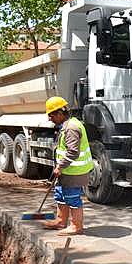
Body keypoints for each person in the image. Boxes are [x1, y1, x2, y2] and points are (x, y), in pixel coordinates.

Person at [42, 96, 94, 235]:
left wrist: (60, 167)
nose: (50, 119)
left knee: (72, 197)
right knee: (60, 194)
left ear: (60, 113)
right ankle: (61, 221)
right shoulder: (65, 126)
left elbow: (73, 152)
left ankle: (77, 226)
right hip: (67, 170)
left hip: (74, 172)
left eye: (51, 115)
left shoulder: (71, 128)